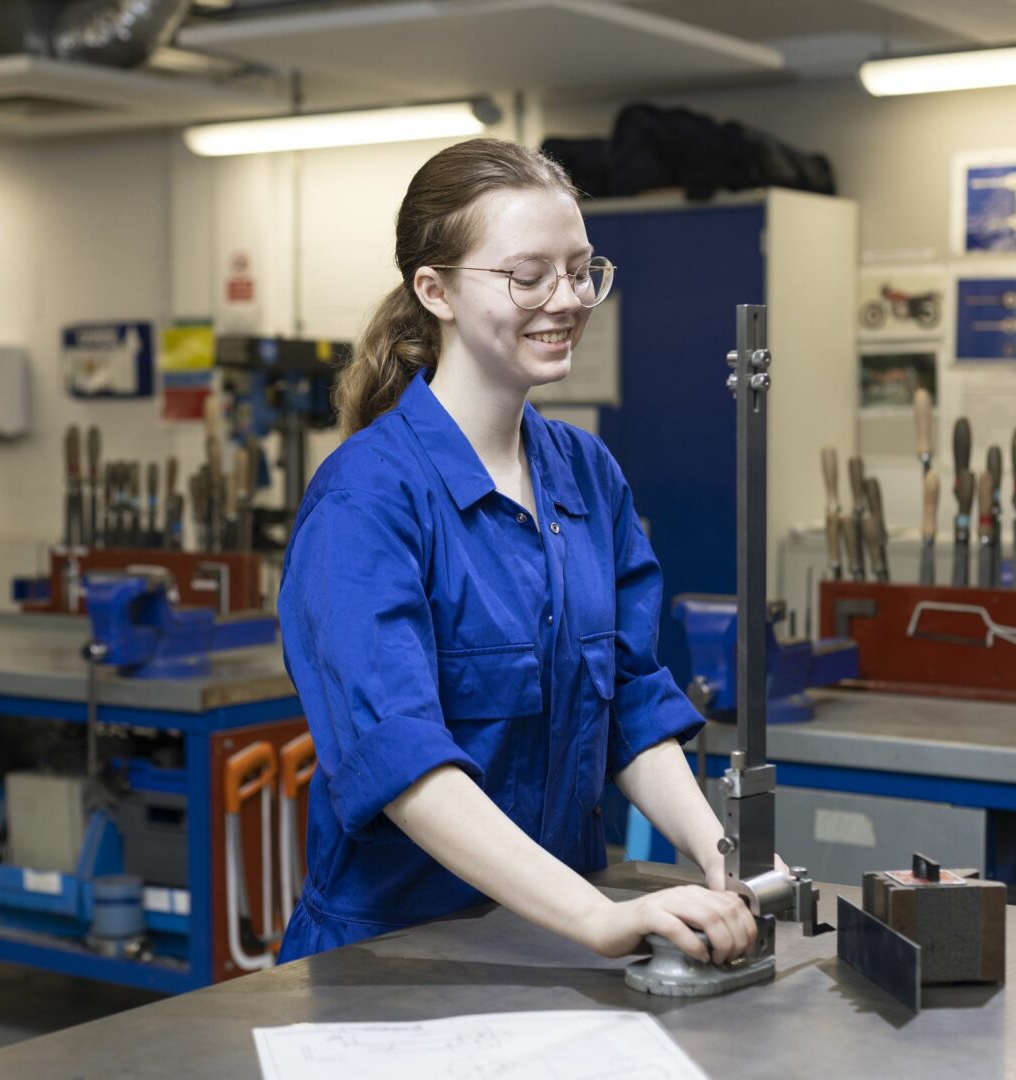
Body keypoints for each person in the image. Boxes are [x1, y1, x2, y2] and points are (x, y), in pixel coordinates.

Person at [276, 137, 778, 967]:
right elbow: (400, 763)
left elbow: (626, 697)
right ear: (434, 290)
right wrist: (596, 916)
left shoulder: (586, 473)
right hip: (395, 963)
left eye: (582, 270)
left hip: (556, 946)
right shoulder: (365, 501)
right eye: (528, 275)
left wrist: (723, 854)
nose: (569, 298)